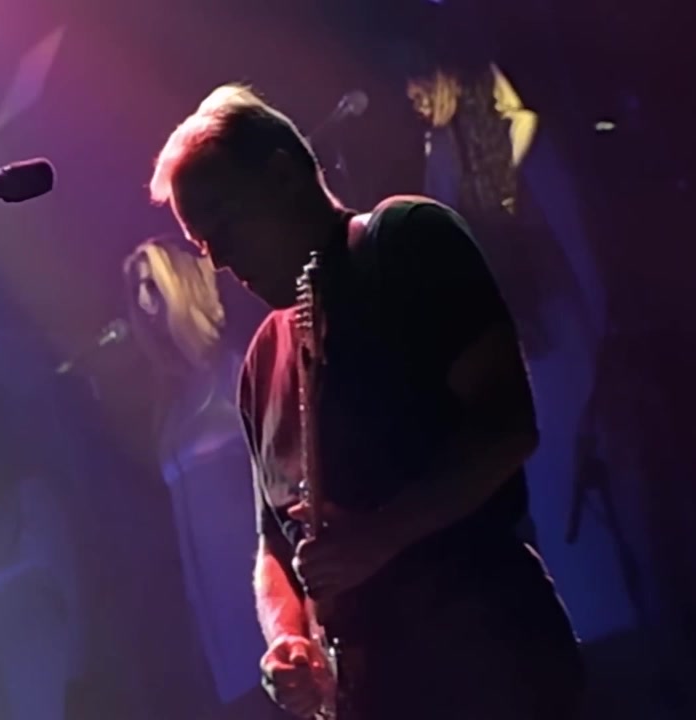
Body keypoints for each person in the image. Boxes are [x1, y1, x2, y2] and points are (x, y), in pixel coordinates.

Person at [147, 84, 584, 719]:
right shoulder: (261, 362)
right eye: (201, 242)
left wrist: (379, 538)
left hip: (489, 662)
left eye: (223, 223)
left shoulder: (406, 239)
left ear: (282, 175)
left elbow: (508, 425)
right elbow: (276, 544)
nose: (216, 260)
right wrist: (289, 639)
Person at [122, 236, 280, 718]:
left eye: (153, 285)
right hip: (222, 641)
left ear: (183, 284)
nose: (143, 302)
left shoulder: (238, 373)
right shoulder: (171, 407)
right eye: (136, 290)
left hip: (272, 616)